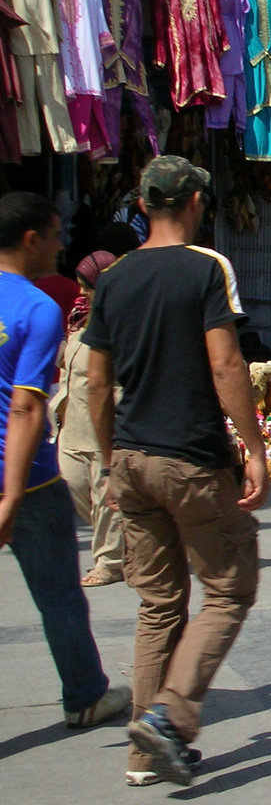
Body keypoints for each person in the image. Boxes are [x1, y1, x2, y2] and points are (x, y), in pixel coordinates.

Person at [86, 156, 267, 786]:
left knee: (159, 607)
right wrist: (254, 447)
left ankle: (143, 760)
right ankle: (169, 717)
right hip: (188, 456)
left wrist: (112, 461)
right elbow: (226, 365)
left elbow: (96, 380)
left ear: (142, 207)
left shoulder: (114, 278)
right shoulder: (206, 268)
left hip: (132, 459)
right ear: (194, 203)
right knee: (230, 586)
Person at [0, 192, 131, 733]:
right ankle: (83, 695)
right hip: (27, 480)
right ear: (31, 239)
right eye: (55, 234)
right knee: (58, 595)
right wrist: (9, 497)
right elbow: (28, 408)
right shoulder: (36, 308)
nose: (61, 244)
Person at [53, 250, 124, 587]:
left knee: (105, 496)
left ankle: (109, 562)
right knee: (75, 485)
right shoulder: (78, 319)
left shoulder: (120, 322)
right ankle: (129, 544)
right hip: (71, 424)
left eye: (87, 286)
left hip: (101, 424)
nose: (81, 292)